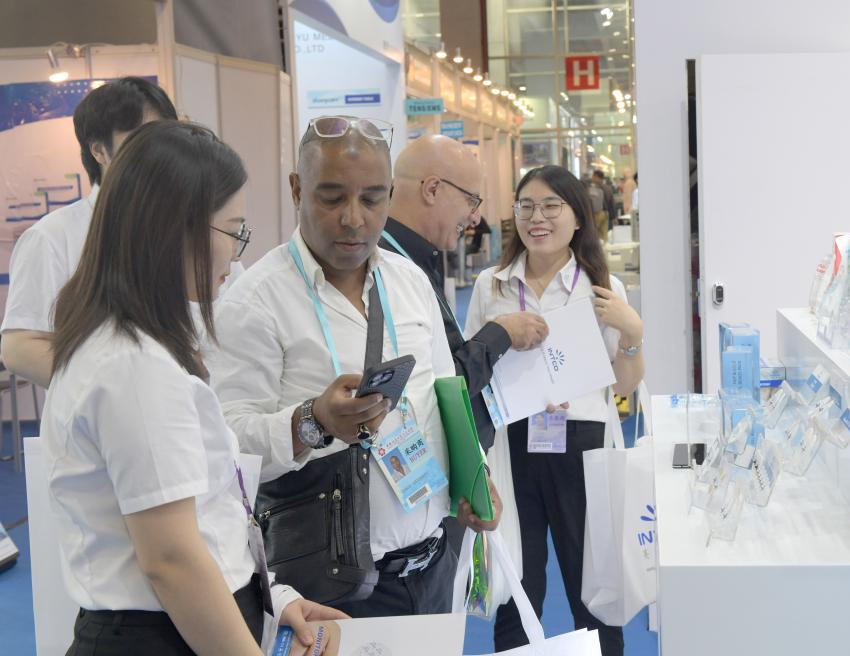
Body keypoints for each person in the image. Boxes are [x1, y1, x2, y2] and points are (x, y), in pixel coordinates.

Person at [43, 120, 345, 655]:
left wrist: (269, 597)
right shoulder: (134, 367)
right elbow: (172, 560)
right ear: (176, 230)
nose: (237, 254)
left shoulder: (132, 345)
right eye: (233, 231)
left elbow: (206, 520)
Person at [209, 116, 502, 618]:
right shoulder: (255, 301)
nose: (353, 218)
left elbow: (444, 394)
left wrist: (473, 474)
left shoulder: (409, 281)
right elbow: (227, 449)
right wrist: (311, 423)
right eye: (331, 197)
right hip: (329, 586)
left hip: (433, 562)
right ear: (297, 189)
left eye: (371, 199)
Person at [465, 165, 645, 656]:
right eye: (526, 206)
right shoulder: (491, 286)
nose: (536, 218)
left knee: (593, 589)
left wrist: (632, 333)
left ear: (577, 217)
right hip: (511, 447)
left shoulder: (602, 288)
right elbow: (470, 373)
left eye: (550, 206)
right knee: (516, 591)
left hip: (582, 448)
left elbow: (624, 385)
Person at [1, 77, 178, 388]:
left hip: (196, 409)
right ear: (99, 151)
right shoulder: (52, 236)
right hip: (107, 413)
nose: (157, 151)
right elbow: (19, 347)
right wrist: (116, 389)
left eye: (165, 137)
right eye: (141, 138)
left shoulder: (188, 225)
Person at [381, 134, 548, 454]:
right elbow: (430, 388)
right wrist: (500, 334)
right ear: (432, 189)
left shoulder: (416, 259)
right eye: (472, 200)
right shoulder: (391, 270)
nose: (475, 217)